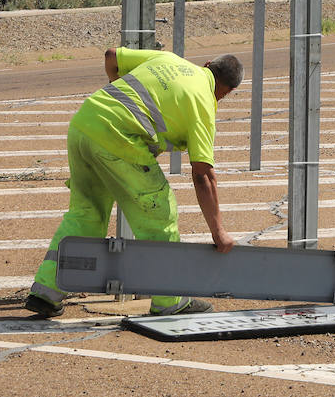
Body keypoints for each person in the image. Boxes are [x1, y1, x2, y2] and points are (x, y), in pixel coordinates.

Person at [24, 47, 243, 318]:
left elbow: (111, 56)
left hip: (84, 124)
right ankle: (169, 300)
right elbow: (203, 175)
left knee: (86, 214)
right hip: (119, 141)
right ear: (226, 91)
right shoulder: (203, 103)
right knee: (160, 215)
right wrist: (218, 232)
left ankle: (47, 291)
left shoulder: (169, 59)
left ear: (208, 63)